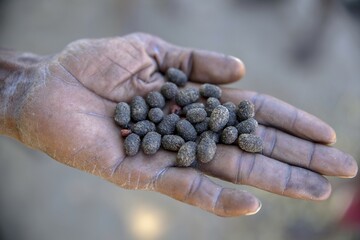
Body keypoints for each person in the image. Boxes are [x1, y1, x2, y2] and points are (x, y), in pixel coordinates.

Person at [0, 32, 357, 217]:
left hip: (169, 124)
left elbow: (198, 127)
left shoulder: (201, 118)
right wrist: (22, 90)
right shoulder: (160, 116)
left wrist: (20, 89)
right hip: (158, 123)